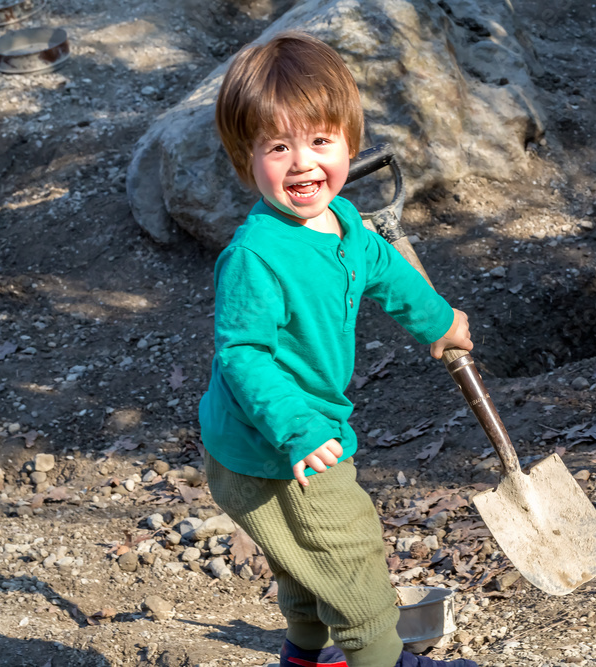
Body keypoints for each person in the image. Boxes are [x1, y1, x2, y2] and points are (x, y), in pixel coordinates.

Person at [198, 31, 476, 667]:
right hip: (274, 447)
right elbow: (242, 355)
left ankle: (302, 657)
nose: (302, 163)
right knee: (352, 567)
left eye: (320, 141)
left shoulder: (346, 224)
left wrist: (440, 323)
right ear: (248, 159)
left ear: (350, 143)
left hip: (290, 436)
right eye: (278, 146)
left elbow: (386, 268)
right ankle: (384, 658)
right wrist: (295, 427)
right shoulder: (256, 258)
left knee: (304, 567)